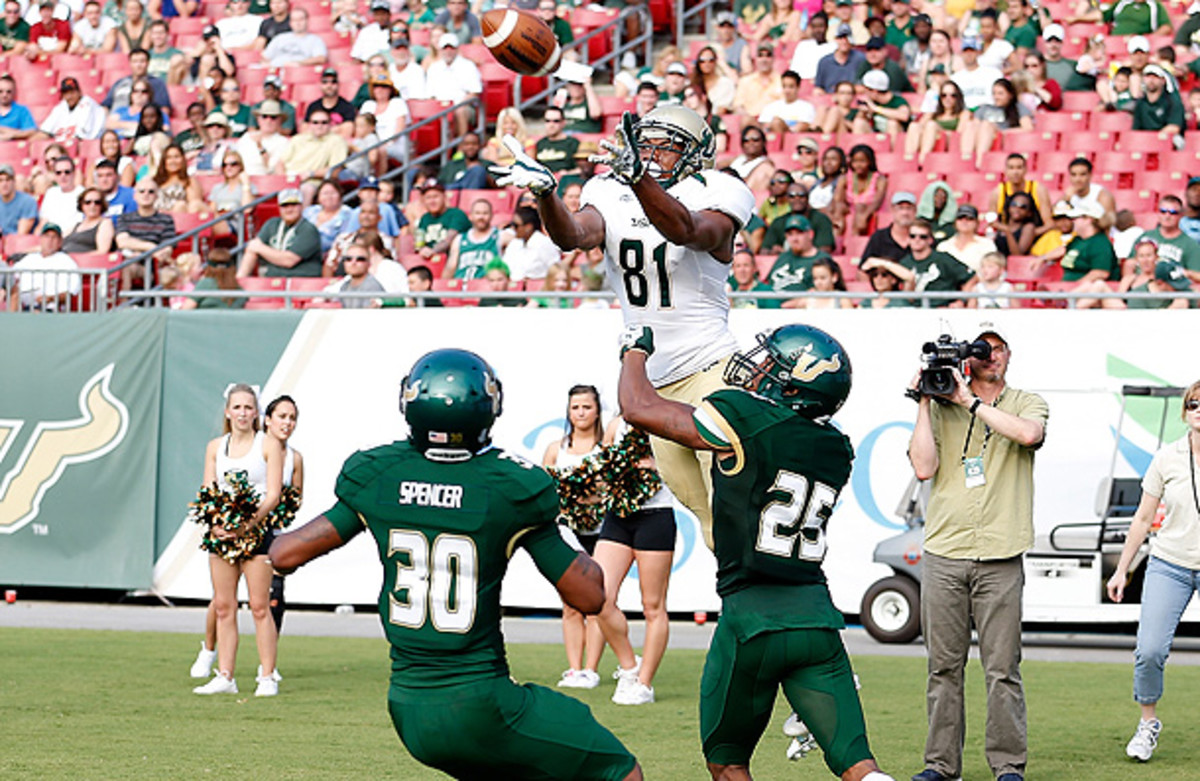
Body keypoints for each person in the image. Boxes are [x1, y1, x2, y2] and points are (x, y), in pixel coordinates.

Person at [269, 350, 642, 780]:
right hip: (481, 702)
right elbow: (590, 596)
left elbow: (284, 554)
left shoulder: (377, 474)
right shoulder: (511, 486)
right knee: (620, 769)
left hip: (408, 709)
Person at [616, 323, 891, 781]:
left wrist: (634, 352)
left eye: (772, 364)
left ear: (792, 383)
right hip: (818, 621)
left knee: (727, 762)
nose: (758, 368)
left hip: (751, 620)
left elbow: (638, 408)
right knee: (860, 767)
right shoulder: (836, 448)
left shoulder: (742, 415)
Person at [497, 104, 755, 547]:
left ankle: (755, 608)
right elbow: (574, 236)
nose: (651, 153)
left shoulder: (720, 188)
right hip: (653, 382)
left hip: (711, 367)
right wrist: (546, 195)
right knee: (706, 517)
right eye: (646, 142)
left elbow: (688, 230)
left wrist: (640, 180)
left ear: (696, 155)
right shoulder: (610, 190)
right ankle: (737, 605)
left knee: (732, 504)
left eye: (666, 145)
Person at [908, 322, 1048, 781]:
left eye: (996, 349)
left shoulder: (1027, 401)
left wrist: (969, 401)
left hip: (1001, 553)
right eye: (981, 350)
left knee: (1002, 669)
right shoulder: (943, 404)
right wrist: (926, 399)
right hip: (945, 551)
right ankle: (940, 766)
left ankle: (1008, 766)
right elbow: (924, 467)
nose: (990, 356)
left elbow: (1028, 435)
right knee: (942, 668)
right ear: (966, 359)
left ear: (1009, 356)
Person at [1107, 382, 1200, 763]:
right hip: (1170, 564)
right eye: (1193, 403)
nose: (1199, 409)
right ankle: (1148, 724)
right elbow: (1143, 518)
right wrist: (1122, 570)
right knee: (1148, 651)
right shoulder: (1167, 457)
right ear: (1185, 412)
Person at [193, 393, 302, 676]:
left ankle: (267, 676)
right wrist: (216, 522)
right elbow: (209, 490)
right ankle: (224, 674)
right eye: (237, 407)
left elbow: (274, 494)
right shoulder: (215, 447)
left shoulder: (269, 445)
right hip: (222, 536)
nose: (242, 413)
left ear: (257, 414)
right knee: (223, 606)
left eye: (248, 408)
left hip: (257, 534)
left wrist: (247, 525)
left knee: (259, 607)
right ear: (228, 412)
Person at [543, 384, 608, 690]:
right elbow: (543, 492)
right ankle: (574, 669)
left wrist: (593, 494)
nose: (581, 413)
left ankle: (592, 669)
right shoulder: (557, 449)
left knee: (596, 601)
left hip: (603, 532)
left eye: (587, 407)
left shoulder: (606, 448)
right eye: (575, 407)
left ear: (597, 411)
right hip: (568, 533)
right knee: (570, 603)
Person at [238, 189, 323, 278]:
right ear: (279, 208)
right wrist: (241, 279)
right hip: (273, 280)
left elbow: (289, 260)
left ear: (301, 206)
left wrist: (260, 248)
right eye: (285, 205)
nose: (289, 209)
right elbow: (252, 249)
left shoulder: (309, 229)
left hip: (302, 282)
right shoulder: (272, 223)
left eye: (294, 205)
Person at [8, 223, 79, 312]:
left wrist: (50, 298)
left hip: (50, 309)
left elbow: (71, 292)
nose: (50, 240)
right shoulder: (30, 258)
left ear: (60, 241)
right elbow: (9, 276)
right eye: (46, 236)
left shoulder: (67, 262)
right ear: (41, 239)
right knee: (13, 293)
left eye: (54, 237)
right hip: (23, 305)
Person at [444, 198, 506, 280]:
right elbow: (450, 268)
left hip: (487, 289)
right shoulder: (459, 239)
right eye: (477, 213)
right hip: (462, 288)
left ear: (492, 215)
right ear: (470, 216)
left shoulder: (501, 236)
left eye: (485, 213)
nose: (481, 217)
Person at [62, 188, 114, 254]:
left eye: (97, 202)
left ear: (102, 205)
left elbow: (102, 251)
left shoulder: (105, 223)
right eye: (87, 202)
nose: (92, 206)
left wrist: (76, 258)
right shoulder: (76, 225)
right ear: (81, 204)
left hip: (84, 262)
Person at [0, 163, 36, 235]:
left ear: (14, 181)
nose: (4, 184)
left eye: (8, 179)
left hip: (22, 244)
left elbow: (21, 235)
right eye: (0, 180)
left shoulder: (27, 201)